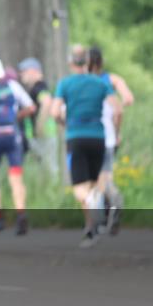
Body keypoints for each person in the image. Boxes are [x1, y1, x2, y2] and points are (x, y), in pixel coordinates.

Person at [49, 45, 121, 247]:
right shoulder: (100, 84)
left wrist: (65, 124)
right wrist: (115, 132)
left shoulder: (65, 84)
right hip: (98, 138)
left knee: (81, 188)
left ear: (71, 63)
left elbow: (55, 112)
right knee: (94, 181)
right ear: (87, 62)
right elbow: (117, 109)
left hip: (76, 137)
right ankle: (91, 227)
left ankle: (95, 208)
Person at [0, 57, 35, 235]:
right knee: (16, 177)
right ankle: (20, 214)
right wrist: (16, 117)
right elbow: (31, 107)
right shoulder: (13, 86)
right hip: (13, 134)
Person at [88, 46, 134, 235]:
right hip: (110, 134)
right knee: (105, 176)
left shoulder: (85, 82)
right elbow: (128, 99)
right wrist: (114, 114)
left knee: (93, 180)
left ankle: (103, 215)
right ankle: (109, 213)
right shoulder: (111, 79)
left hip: (90, 133)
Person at [17, 57, 58, 175]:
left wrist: (39, 126)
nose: (21, 74)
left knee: (49, 169)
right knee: (42, 170)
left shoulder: (39, 86)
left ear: (33, 71)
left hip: (44, 135)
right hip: (39, 135)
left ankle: (53, 192)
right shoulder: (36, 88)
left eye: (23, 71)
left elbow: (46, 102)